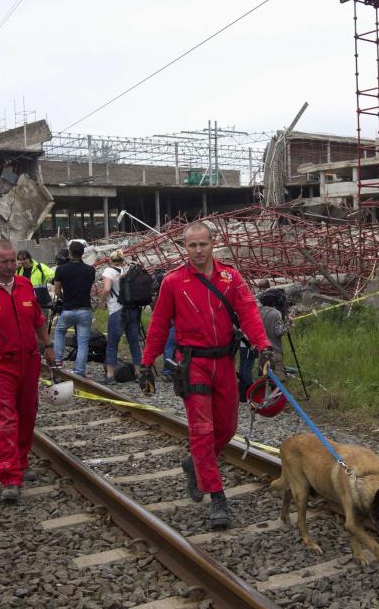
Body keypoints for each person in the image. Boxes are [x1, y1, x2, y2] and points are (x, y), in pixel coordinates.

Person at [138, 222, 273, 529]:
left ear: (214, 243)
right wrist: (146, 363)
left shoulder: (231, 278)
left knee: (226, 427)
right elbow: (159, 325)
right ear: (184, 248)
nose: (197, 251)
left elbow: (250, 311)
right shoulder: (174, 282)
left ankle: (195, 464)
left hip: (224, 362)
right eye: (191, 246)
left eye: (202, 244)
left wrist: (263, 345)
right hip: (193, 364)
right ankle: (217, 496)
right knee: (202, 429)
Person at [0, 240, 55, 504]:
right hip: (0, 364)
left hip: (29, 361)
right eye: (3, 262)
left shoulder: (25, 286)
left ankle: (22, 461)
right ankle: (9, 477)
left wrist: (48, 346)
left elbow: (38, 321)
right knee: (5, 420)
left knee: (27, 413)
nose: (9, 266)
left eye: (12, 261)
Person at [52, 240, 95, 376]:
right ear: (83, 253)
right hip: (85, 309)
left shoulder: (61, 269)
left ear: (70, 253)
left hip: (68, 308)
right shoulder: (90, 270)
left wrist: (64, 298)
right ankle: (79, 371)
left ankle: (58, 361)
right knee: (83, 342)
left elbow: (57, 290)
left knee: (59, 332)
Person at [238, 288, 291, 400]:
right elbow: (278, 332)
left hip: (262, 349)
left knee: (266, 376)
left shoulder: (259, 311)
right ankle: (280, 401)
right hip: (274, 349)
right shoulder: (276, 314)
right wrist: (289, 323)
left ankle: (264, 397)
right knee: (280, 377)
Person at [101, 249, 143, 384]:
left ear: (110, 261)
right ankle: (138, 373)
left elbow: (107, 289)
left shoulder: (108, 271)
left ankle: (110, 375)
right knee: (134, 343)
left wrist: (102, 301)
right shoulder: (128, 271)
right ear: (122, 261)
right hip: (133, 309)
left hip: (117, 310)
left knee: (112, 344)